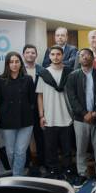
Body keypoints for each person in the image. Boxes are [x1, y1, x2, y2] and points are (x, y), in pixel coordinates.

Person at [66, 48, 96, 187]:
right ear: (79, 58)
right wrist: (84, 113)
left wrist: (94, 112)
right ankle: (82, 174)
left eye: (88, 55)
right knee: (81, 148)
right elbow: (72, 97)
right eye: (82, 55)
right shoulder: (72, 76)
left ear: (93, 58)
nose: (85, 57)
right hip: (80, 118)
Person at [36, 45, 75, 181]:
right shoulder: (43, 73)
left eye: (58, 54)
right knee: (50, 149)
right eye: (53, 54)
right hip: (49, 117)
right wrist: (41, 115)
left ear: (62, 56)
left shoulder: (69, 72)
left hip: (67, 116)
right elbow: (40, 95)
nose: (55, 57)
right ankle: (53, 171)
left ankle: (68, 170)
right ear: (49, 56)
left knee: (67, 149)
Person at [0, 52, 35, 176]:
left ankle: (17, 177)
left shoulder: (27, 79)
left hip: (26, 121)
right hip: (7, 121)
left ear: (21, 63)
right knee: (11, 152)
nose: (14, 64)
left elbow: (32, 99)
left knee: (20, 151)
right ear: (7, 64)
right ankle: (17, 172)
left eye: (17, 61)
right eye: (11, 62)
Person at [22, 44, 46, 174]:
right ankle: (25, 164)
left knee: (40, 138)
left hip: (39, 109)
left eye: (33, 52)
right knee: (23, 139)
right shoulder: (19, 70)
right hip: (24, 110)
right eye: (27, 52)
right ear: (24, 55)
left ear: (36, 55)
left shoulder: (41, 70)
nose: (30, 54)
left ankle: (42, 163)